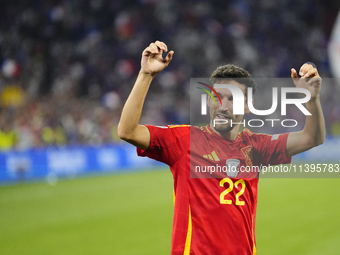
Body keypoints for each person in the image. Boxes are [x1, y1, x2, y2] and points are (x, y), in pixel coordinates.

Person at [118, 41, 326, 255]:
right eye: (216, 97)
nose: (223, 105)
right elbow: (128, 131)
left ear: (247, 106)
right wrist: (145, 74)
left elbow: (312, 137)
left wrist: (312, 98)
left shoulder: (256, 146)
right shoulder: (184, 140)